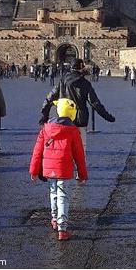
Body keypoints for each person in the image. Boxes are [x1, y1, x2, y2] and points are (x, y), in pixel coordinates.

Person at [29, 98, 88, 241]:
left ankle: (54, 218)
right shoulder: (73, 131)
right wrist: (82, 174)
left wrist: (34, 170)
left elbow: (37, 151)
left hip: (49, 169)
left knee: (53, 193)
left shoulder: (46, 128)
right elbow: (79, 155)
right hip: (64, 169)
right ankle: (62, 227)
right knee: (63, 196)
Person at [40, 58, 115, 154]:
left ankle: (67, 166)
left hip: (64, 119)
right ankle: (79, 167)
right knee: (80, 147)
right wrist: (107, 117)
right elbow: (95, 103)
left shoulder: (63, 81)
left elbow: (50, 97)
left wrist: (44, 114)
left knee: (65, 145)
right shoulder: (85, 83)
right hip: (80, 119)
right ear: (80, 67)